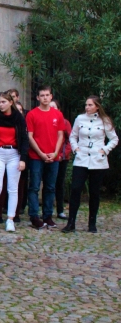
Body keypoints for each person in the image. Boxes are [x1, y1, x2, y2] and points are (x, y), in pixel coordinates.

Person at [62, 96, 119, 233]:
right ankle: (71, 222)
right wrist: (76, 148)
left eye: (90, 105)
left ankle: (92, 223)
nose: (87, 107)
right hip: (81, 159)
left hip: (97, 160)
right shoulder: (80, 119)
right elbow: (73, 136)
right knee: (76, 189)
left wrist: (104, 150)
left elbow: (114, 139)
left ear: (97, 106)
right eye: (86, 105)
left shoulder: (104, 121)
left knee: (94, 192)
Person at [0, 92, 29, 233]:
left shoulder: (18, 118)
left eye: (4, 102)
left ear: (11, 102)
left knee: (12, 188)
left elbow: (24, 139)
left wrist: (23, 158)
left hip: (14, 154)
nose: (1, 104)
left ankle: (10, 219)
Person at [26, 86, 65, 229]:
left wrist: (55, 153)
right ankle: (34, 216)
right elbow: (30, 136)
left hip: (53, 156)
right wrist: (41, 153)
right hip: (36, 156)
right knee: (34, 187)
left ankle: (47, 215)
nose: (45, 98)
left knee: (50, 187)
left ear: (51, 96)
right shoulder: (31, 114)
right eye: (42, 95)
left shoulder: (57, 114)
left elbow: (61, 134)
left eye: (47, 95)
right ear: (37, 98)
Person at [50, 99, 72, 219]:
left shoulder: (64, 122)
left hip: (61, 157)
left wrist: (63, 154)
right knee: (49, 183)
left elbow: (70, 139)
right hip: (48, 156)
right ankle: (47, 210)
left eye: (55, 107)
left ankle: (60, 210)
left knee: (60, 183)